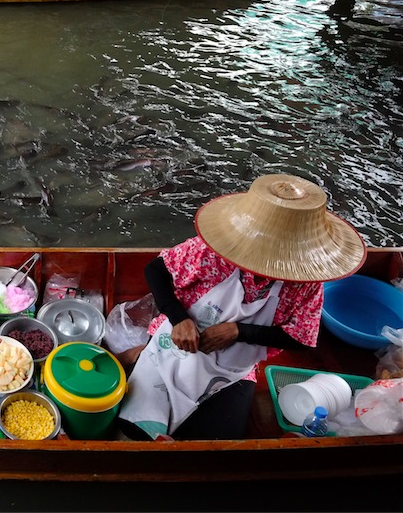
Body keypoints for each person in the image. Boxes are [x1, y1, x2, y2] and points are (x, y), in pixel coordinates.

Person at [117, 174, 366, 441]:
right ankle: (141, 353)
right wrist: (179, 319)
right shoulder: (212, 253)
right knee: (132, 430)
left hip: (232, 372)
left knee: (216, 443)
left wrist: (238, 331)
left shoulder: (305, 284)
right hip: (172, 345)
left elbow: (301, 339)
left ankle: (137, 359)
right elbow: (156, 270)